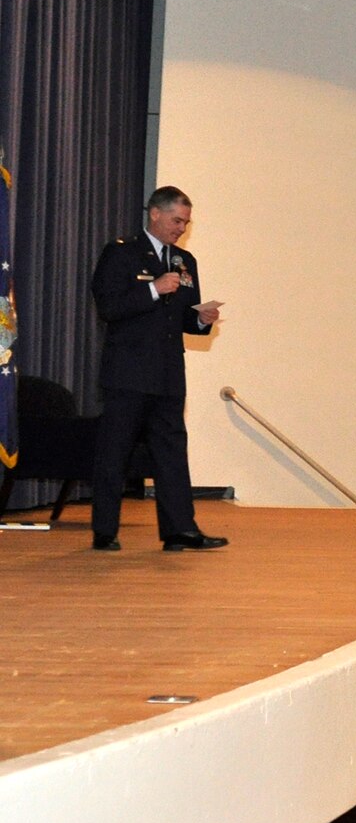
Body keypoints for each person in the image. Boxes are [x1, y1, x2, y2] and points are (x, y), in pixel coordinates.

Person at [89, 186, 226, 552]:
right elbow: (109, 307)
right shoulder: (121, 253)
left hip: (167, 373)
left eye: (186, 222)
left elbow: (181, 317)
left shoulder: (184, 261)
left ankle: (180, 528)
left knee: (171, 452)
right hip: (128, 373)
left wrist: (202, 320)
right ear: (155, 214)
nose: (181, 228)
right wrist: (154, 289)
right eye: (176, 220)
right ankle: (105, 531)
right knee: (114, 452)